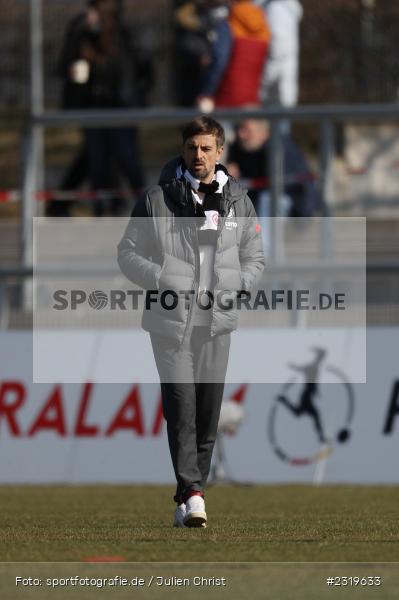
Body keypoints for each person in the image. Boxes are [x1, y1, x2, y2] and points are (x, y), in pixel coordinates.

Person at [117, 117, 264, 528]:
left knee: (207, 414)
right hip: (170, 321)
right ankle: (195, 494)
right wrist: (161, 277)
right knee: (181, 408)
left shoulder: (239, 200)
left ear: (219, 152)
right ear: (182, 151)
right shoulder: (156, 199)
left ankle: (187, 494)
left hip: (217, 321)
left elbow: (255, 255)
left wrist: (240, 285)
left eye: (205, 148)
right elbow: (128, 253)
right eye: (190, 148)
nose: (197, 156)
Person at [227, 118, 320, 217]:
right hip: (258, 206)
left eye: (246, 130)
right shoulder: (240, 147)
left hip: (295, 212)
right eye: (239, 128)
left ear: (263, 132)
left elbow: (280, 188)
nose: (240, 134)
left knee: (268, 199)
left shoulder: (279, 149)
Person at [256, 0, 303, 107]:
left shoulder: (276, 9)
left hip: (274, 86)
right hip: (282, 85)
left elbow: (278, 48)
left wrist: (262, 83)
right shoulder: (286, 7)